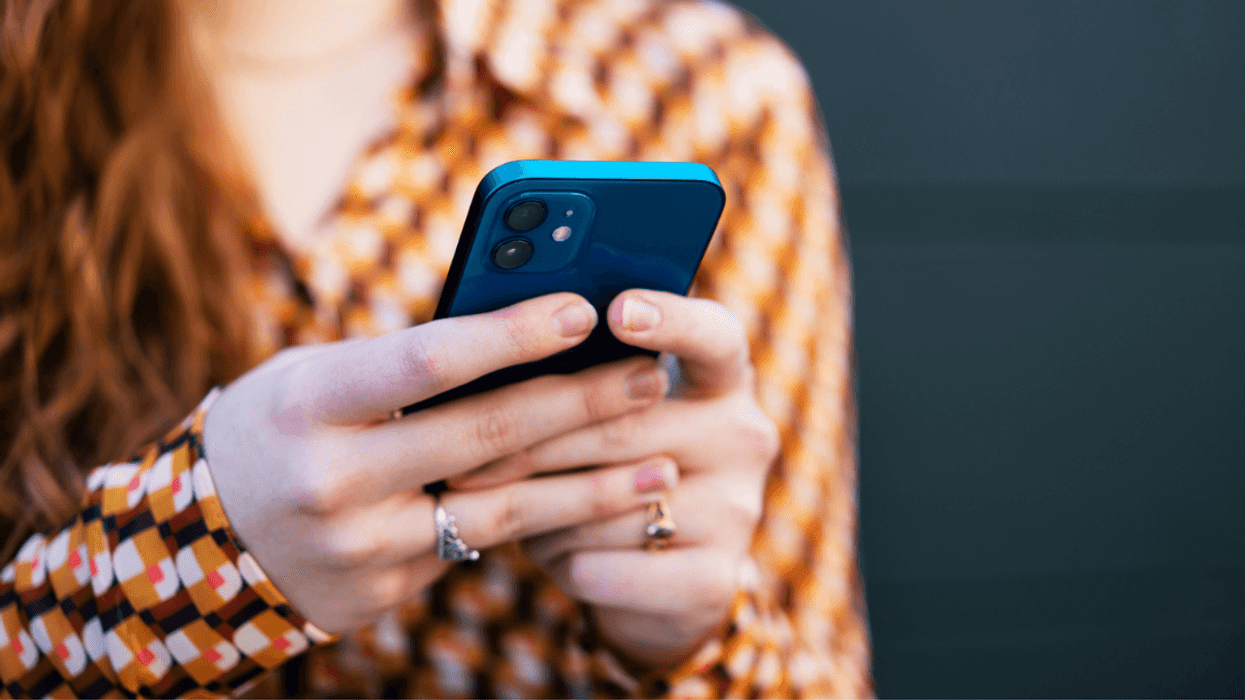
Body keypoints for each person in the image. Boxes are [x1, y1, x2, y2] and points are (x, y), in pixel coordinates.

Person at [0, 0, 871, 696]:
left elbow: (820, 673)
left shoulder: (694, 87)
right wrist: (192, 551)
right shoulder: (25, 88)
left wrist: (683, 641)